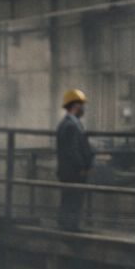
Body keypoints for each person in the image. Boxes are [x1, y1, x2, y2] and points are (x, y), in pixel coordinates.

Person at [56, 88, 94, 231]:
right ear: (75, 106)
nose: (84, 109)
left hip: (67, 170)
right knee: (73, 199)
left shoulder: (67, 123)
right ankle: (70, 227)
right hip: (73, 171)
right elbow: (72, 150)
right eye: (82, 105)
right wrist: (82, 167)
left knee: (68, 198)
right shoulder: (71, 125)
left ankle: (66, 225)